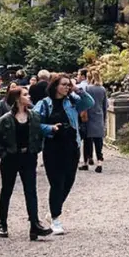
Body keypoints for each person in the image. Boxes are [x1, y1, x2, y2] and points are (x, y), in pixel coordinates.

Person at [0, 86, 54, 241]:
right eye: (25, 94)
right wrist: (2, 153)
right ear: (17, 99)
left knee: (31, 191)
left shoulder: (34, 116)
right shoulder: (5, 120)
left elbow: (39, 134)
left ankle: (35, 225)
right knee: (7, 190)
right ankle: (2, 224)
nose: (29, 96)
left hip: (28, 157)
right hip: (10, 158)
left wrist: (36, 149)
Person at [34, 74, 95, 235]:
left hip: (71, 146)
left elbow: (89, 102)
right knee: (57, 183)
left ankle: (53, 210)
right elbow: (34, 123)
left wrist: (76, 89)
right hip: (53, 147)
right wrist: (50, 128)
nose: (67, 87)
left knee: (69, 181)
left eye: (69, 85)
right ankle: (55, 218)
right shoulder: (44, 104)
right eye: (64, 84)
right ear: (55, 86)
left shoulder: (72, 102)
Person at [79, 70, 108, 173]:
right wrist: (104, 119)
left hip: (88, 118)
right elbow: (105, 105)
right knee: (98, 142)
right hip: (99, 117)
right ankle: (99, 162)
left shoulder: (87, 88)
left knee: (87, 141)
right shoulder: (102, 89)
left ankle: (86, 162)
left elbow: (83, 103)